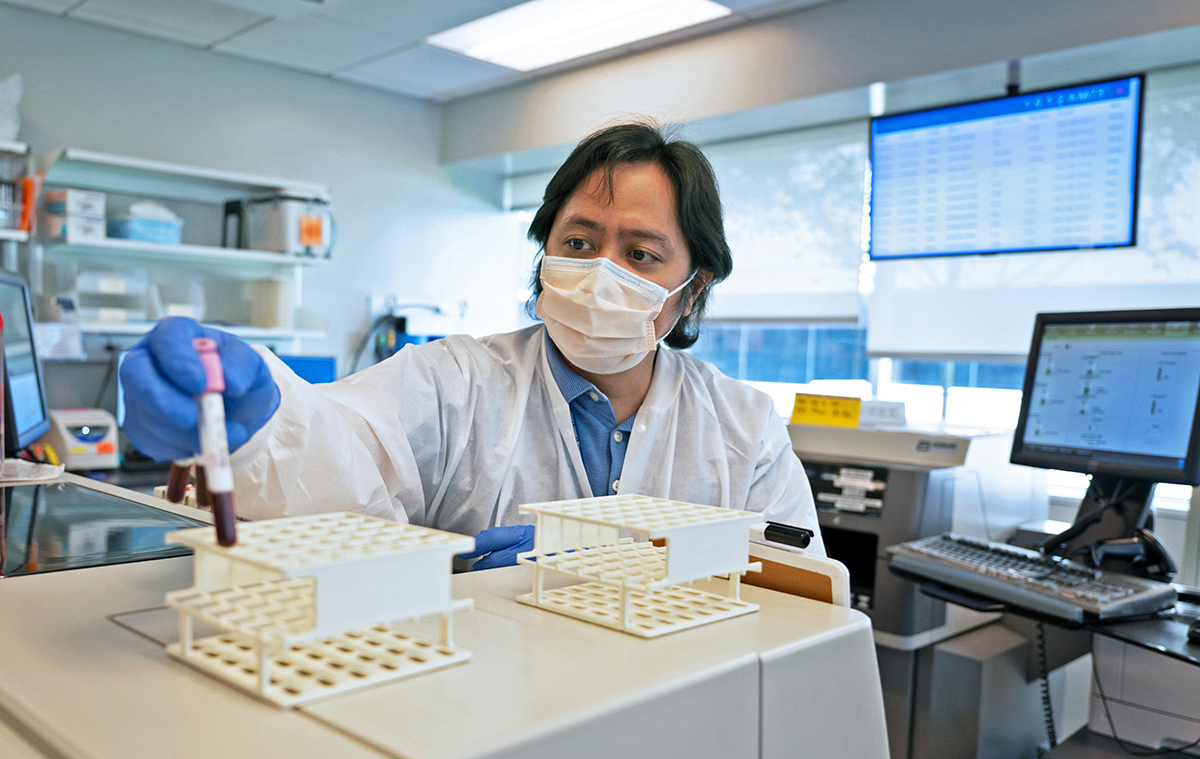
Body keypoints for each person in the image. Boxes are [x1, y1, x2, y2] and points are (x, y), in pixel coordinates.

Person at [120, 122, 823, 568]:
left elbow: (801, 590)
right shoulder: (454, 378)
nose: (601, 273)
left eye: (640, 256)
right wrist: (262, 417)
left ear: (691, 291)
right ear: (545, 252)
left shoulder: (744, 427)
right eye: (579, 242)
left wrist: (625, 559)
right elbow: (339, 456)